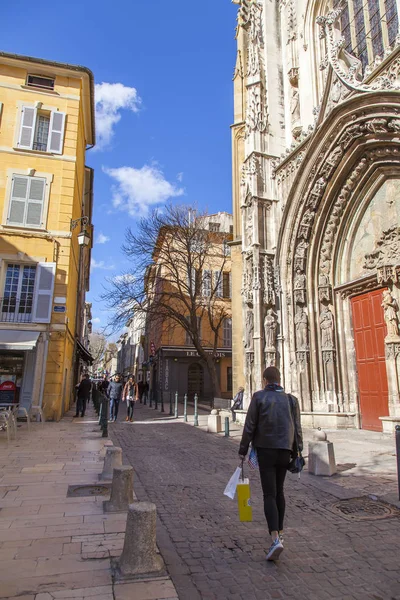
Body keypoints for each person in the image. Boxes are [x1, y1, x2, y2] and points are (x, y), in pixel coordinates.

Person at [238, 366, 303, 562]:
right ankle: (280, 532)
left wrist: (242, 450)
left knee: (269, 494)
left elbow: (250, 426)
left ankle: (275, 538)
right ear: (280, 380)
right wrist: (299, 452)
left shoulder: (258, 398)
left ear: (265, 381)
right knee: (279, 492)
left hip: (266, 450)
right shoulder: (292, 400)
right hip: (285, 451)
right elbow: (297, 429)